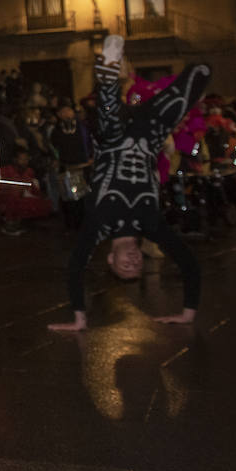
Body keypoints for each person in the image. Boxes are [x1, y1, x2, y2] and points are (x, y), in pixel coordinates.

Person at [48, 36, 209, 332]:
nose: (133, 261)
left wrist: (79, 318)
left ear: (111, 259)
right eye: (136, 266)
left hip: (115, 138)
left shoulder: (99, 225)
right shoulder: (150, 225)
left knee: (109, 119)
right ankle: (125, 74)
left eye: (125, 265)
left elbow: (76, 269)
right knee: (201, 73)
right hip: (149, 133)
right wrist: (187, 313)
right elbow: (189, 264)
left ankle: (109, 68)